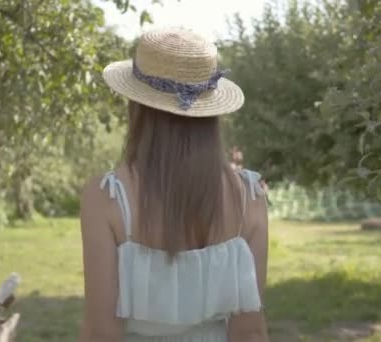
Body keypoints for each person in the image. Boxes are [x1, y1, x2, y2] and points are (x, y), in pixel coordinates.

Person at [79, 27, 269, 342]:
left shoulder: (107, 198)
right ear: (212, 112)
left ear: (136, 106)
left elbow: (102, 333)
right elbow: (250, 331)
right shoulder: (249, 197)